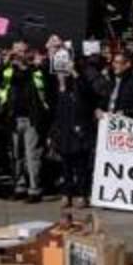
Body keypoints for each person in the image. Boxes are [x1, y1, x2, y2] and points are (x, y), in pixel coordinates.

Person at [0, 43, 51, 202]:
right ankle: (19, 187)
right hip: (12, 119)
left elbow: (46, 80)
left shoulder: (35, 71)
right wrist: (6, 62)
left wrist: (34, 64)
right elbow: (0, 81)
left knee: (32, 155)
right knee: (16, 155)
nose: (20, 54)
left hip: (31, 119)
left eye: (23, 51)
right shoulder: (8, 70)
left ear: (28, 52)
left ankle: (34, 190)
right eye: (18, 50)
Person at [50, 59, 101, 209]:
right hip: (65, 131)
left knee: (81, 165)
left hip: (80, 131)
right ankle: (67, 194)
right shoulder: (61, 90)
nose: (63, 74)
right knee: (66, 166)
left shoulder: (81, 86)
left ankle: (81, 194)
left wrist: (75, 72)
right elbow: (56, 111)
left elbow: (89, 93)